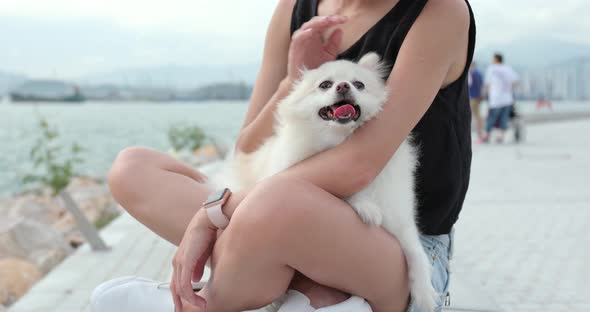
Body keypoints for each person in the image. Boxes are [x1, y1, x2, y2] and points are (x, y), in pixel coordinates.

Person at [91, 0, 475, 311]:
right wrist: (293, 81)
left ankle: (200, 302)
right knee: (133, 167)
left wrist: (213, 215)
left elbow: (359, 165)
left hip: (391, 247)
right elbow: (247, 147)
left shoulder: (439, 11)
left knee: (278, 202)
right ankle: (292, 289)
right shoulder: (295, 9)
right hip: (276, 221)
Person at [481, 53, 519, 143]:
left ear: (496, 59)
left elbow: (487, 84)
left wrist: (483, 95)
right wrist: (509, 89)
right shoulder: (508, 68)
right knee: (504, 118)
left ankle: (486, 135)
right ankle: (501, 137)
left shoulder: (492, 69)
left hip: (495, 99)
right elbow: (516, 81)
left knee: (492, 117)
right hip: (507, 99)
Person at [468, 61, 484, 139]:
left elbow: (476, 86)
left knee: (472, 115)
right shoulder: (478, 74)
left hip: (474, 97)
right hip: (477, 97)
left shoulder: (473, 74)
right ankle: (479, 132)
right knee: (477, 115)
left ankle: (478, 132)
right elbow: (481, 85)